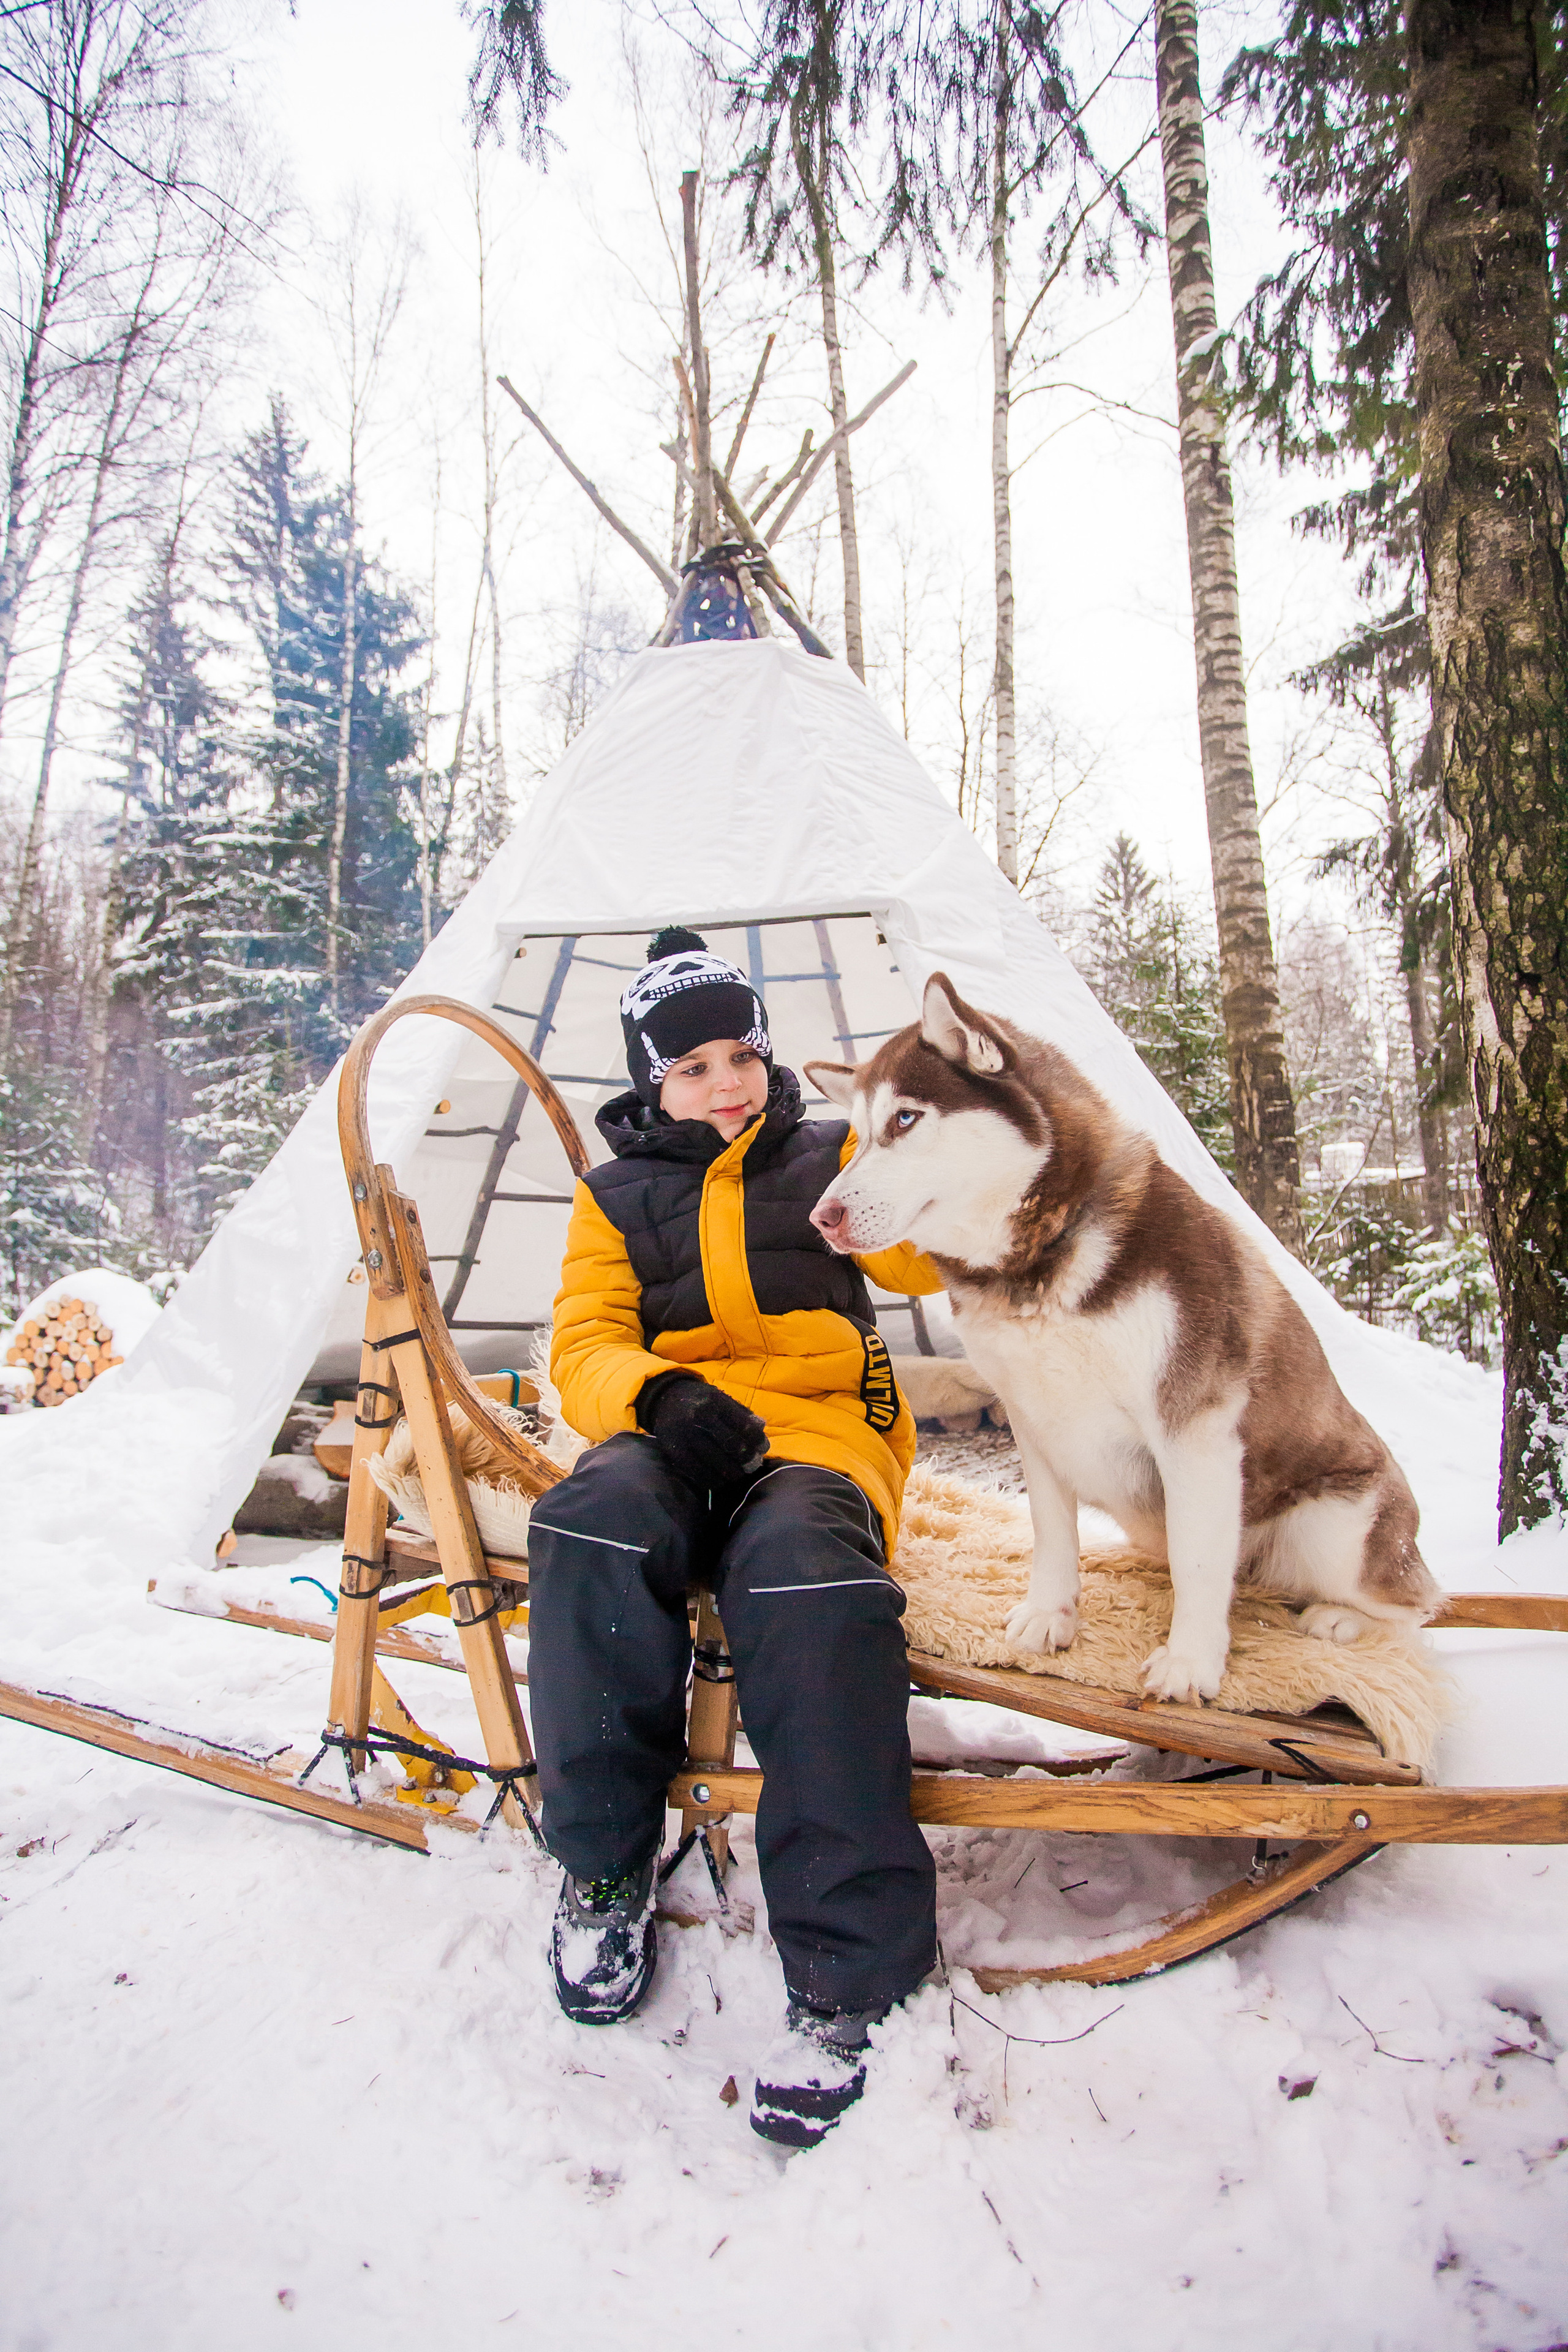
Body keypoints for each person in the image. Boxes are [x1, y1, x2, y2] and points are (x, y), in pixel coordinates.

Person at [527, 926, 944, 2148]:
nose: (726, 1085)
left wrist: (914, 1169)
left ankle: (848, 1969)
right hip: (669, 1430)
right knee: (590, 1526)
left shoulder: (830, 1152)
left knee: (808, 1579)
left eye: (742, 1057)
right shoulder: (611, 1197)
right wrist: (656, 1395)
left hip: (815, 1436)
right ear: (651, 1083)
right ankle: (603, 1867)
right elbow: (584, 1345)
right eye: (693, 1067)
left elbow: (925, 1260)